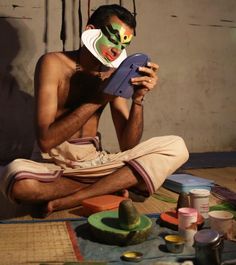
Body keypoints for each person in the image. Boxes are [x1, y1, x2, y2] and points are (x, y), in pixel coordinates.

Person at [1, 4, 189, 216]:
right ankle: (113, 185)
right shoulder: (53, 63)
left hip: (94, 161)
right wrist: (100, 99)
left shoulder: (114, 73)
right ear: (90, 30)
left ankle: (70, 199)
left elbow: (127, 144)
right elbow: (45, 141)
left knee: (177, 146)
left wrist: (138, 100)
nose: (117, 49)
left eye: (123, 43)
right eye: (112, 38)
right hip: (51, 163)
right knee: (16, 180)